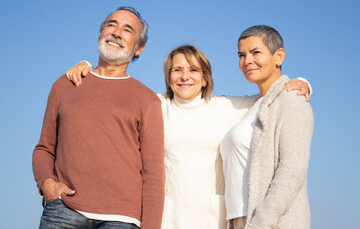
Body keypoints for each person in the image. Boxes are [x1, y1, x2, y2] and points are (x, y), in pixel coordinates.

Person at [66, 45, 311, 229]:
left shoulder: (225, 107)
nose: (185, 77)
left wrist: (305, 83)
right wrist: (88, 68)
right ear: (168, 77)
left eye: (194, 70)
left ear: (205, 78)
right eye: (177, 70)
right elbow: (114, 94)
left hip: (211, 218)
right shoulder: (154, 105)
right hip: (166, 217)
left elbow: (272, 96)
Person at [32, 6, 165, 229]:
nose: (116, 32)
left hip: (122, 220)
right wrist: (47, 184)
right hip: (63, 211)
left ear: (139, 48)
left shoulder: (147, 99)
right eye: (111, 24)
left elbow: (153, 174)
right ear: (100, 34)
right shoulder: (65, 85)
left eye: (127, 29)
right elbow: (44, 149)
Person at [220, 25, 313, 229]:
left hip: (269, 223)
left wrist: (260, 224)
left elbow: (292, 170)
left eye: (256, 53)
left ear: (278, 56)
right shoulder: (250, 105)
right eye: (241, 55)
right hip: (239, 219)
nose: (247, 61)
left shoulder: (292, 101)